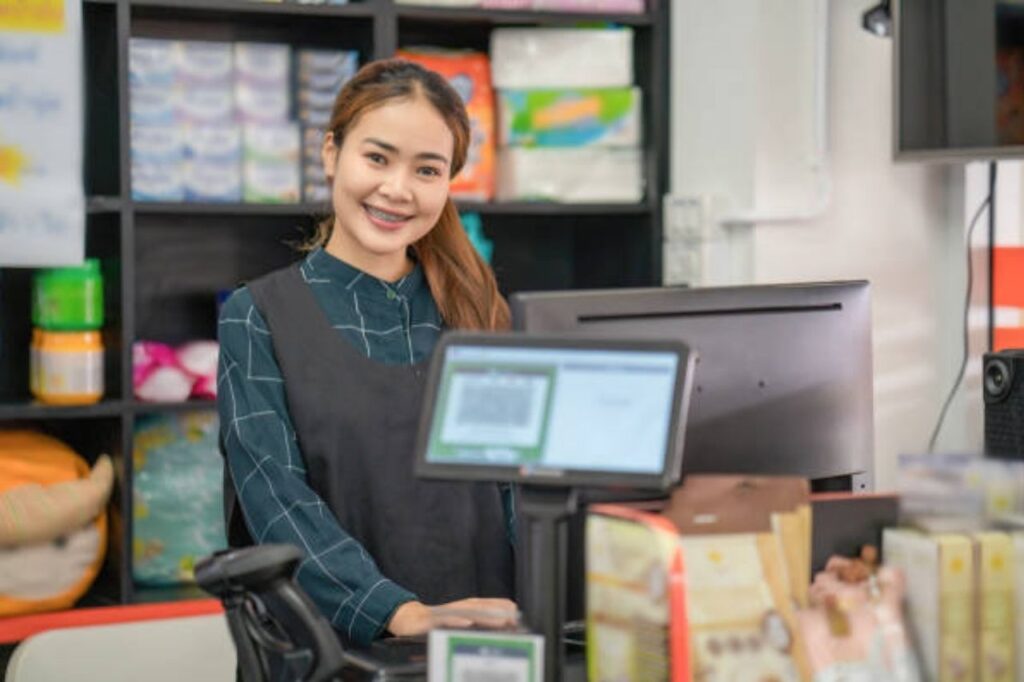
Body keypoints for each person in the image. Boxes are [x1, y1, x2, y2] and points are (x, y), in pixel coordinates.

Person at [216, 58, 517, 648]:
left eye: (426, 170)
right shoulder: (258, 316)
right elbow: (275, 499)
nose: (397, 189)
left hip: (485, 640)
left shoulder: (478, 309)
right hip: (338, 650)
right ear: (332, 153)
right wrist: (399, 613)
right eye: (377, 158)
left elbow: (513, 490)